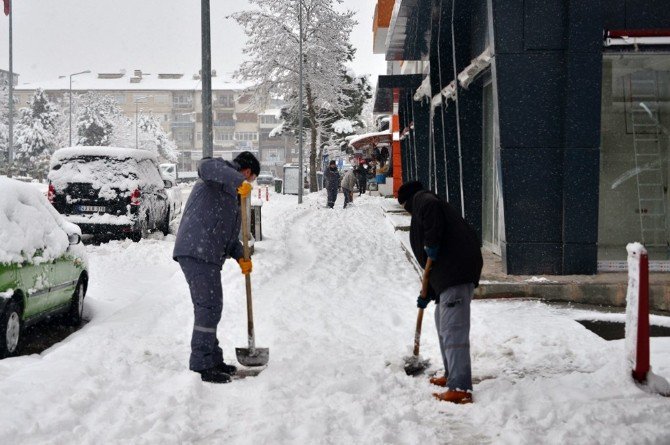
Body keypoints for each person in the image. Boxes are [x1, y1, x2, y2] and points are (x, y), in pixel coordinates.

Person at [173, 151, 260, 384]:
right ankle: (202, 363)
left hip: (206, 253)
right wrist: (238, 181)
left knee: (212, 305)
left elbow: (230, 237)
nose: (249, 185)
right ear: (248, 172)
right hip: (196, 250)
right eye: (250, 180)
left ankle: (213, 359)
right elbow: (204, 166)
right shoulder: (216, 172)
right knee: (208, 307)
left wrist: (242, 256)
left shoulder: (230, 195)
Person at [397, 181, 483, 404]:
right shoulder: (425, 204)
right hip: (449, 275)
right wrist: (428, 293)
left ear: (407, 200)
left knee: (453, 328)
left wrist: (431, 242)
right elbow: (431, 264)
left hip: (456, 274)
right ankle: (451, 374)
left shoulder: (423, 200)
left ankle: (460, 388)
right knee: (441, 321)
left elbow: (432, 217)